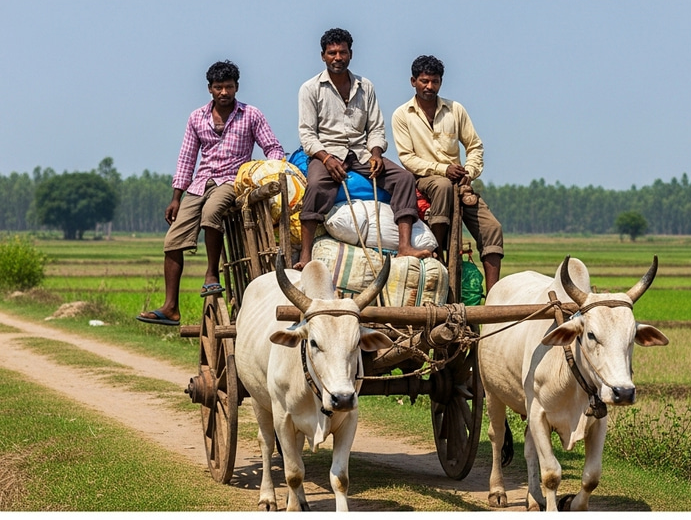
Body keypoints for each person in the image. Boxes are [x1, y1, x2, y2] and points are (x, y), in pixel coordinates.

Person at [137, 60, 284, 325]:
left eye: (229, 87)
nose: (224, 93)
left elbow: (273, 148)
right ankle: (171, 307)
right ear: (210, 89)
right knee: (173, 238)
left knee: (212, 211)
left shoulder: (251, 115)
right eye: (219, 87)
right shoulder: (197, 117)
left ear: (237, 87)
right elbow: (186, 159)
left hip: (232, 180)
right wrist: (175, 198)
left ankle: (211, 275)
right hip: (200, 182)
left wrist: (264, 173)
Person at [295, 28, 432, 270]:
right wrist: (326, 159)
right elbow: (307, 134)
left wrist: (377, 153)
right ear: (323, 56)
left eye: (343, 52)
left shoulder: (365, 86)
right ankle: (305, 256)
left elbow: (376, 127)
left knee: (403, 178)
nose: (338, 57)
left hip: (361, 152)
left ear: (351, 54)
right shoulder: (310, 88)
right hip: (327, 151)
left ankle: (404, 247)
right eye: (332, 53)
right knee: (316, 186)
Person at [391, 54, 504, 293]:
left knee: (492, 227)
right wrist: (444, 169)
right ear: (413, 81)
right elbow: (407, 158)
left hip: (459, 183)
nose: (429, 86)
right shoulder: (403, 115)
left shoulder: (455, 110)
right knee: (441, 186)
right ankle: (438, 258)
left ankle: (494, 295)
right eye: (424, 81)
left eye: (434, 81)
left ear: (441, 82)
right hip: (424, 178)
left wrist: (469, 172)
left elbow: (474, 146)